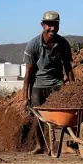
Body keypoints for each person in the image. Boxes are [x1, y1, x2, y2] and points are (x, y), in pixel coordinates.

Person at [23, 11, 75, 154]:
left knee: (62, 116)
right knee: (38, 118)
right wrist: (25, 96)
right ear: (42, 25)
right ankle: (40, 146)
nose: (52, 28)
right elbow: (28, 73)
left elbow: (68, 68)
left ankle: (64, 145)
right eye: (49, 24)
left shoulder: (63, 44)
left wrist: (73, 88)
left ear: (58, 26)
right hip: (38, 85)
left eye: (55, 25)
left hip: (57, 84)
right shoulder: (33, 45)